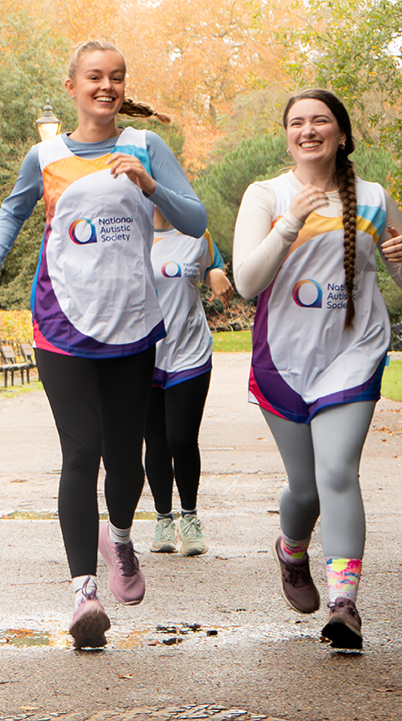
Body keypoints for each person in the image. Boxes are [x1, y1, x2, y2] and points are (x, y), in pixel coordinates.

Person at [0, 40, 207, 649]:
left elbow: (196, 221)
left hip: (130, 326)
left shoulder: (146, 147)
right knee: (83, 449)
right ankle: (83, 594)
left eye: (117, 78)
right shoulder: (44, 155)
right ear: (72, 86)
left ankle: (120, 538)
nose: (107, 87)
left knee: (125, 462)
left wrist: (151, 186)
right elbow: (12, 212)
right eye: (94, 77)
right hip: (61, 326)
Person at [233, 88, 402, 650]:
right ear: (288, 135)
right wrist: (288, 224)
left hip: (354, 353)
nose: (308, 130)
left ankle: (345, 603)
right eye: (297, 122)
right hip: (284, 360)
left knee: (338, 471)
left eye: (321, 120)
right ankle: (291, 549)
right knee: (306, 488)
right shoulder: (266, 195)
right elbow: (247, 283)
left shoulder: (371, 197)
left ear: (342, 134)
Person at [145, 209, 232, 557]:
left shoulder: (197, 234)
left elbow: (216, 263)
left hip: (190, 353)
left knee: (181, 438)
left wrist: (215, 272)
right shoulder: (132, 232)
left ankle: (191, 518)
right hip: (143, 355)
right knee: (155, 442)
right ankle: (164, 519)